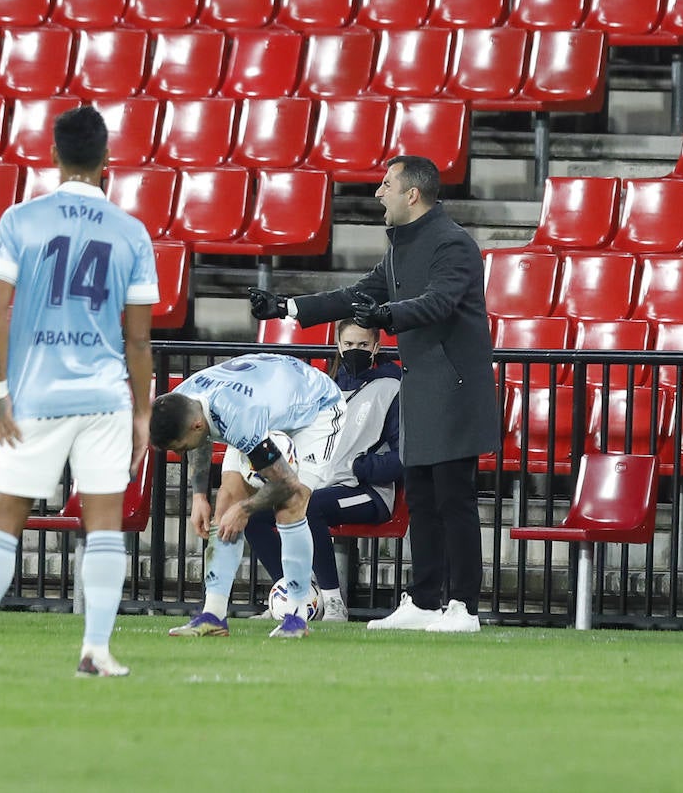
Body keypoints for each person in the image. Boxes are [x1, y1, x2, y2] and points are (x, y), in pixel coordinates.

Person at [0, 105, 157, 679]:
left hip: (33, 395)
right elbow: (139, 341)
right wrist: (142, 414)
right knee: (105, 523)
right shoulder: (131, 232)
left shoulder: (20, 219)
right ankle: (97, 650)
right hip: (106, 395)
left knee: (2, 521)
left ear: (54, 157)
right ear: (107, 160)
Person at [248, 154, 499, 633]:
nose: (378, 193)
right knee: (422, 499)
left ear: (413, 193)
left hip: (456, 389)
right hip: (424, 385)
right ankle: (425, 601)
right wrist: (289, 306)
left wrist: (385, 315)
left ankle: (464, 605)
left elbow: (439, 303)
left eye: (386, 184)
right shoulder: (400, 248)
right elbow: (357, 294)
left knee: (454, 499)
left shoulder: (454, 244)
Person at [149, 352, 346, 639]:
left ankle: (296, 616)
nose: (179, 453)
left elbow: (286, 483)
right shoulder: (182, 399)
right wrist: (199, 496)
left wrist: (245, 509)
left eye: (178, 446)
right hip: (267, 402)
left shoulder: (238, 415)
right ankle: (213, 616)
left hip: (315, 409)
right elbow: (199, 442)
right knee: (225, 503)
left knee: (291, 505)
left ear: (196, 425)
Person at [242, 320, 403, 622]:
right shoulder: (323, 387)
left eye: (363, 345)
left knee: (309, 506)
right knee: (252, 513)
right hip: (319, 484)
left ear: (376, 347)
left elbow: (404, 457)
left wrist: (361, 466)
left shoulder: (393, 387)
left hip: (368, 492)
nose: (355, 351)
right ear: (339, 346)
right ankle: (294, 593)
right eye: (350, 345)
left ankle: (333, 602)